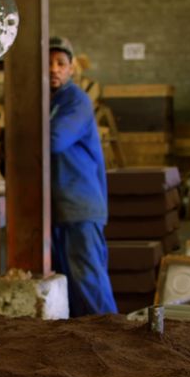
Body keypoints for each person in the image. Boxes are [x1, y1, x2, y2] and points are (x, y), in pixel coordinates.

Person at [49, 36, 117, 317]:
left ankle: (114, 344)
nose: (53, 69)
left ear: (71, 69)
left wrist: (8, 137)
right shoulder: (50, 102)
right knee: (70, 289)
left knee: (89, 283)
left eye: (60, 63)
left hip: (80, 205)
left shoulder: (76, 100)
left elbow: (54, 140)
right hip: (60, 208)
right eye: (48, 63)